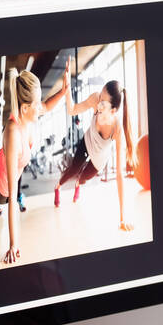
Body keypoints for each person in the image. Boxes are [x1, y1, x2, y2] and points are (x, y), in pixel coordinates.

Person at [0, 67, 65, 264]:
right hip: (2, 180)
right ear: (25, 108)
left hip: (17, 166)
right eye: (36, 105)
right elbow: (12, 197)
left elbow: (47, 106)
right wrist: (13, 244)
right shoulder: (13, 133)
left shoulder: (29, 112)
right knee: (2, 199)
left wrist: (63, 91)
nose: (39, 108)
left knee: (14, 190)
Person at [56, 56, 137, 232]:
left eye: (102, 102)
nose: (98, 101)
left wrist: (123, 218)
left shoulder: (117, 129)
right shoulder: (95, 100)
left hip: (99, 159)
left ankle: (78, 184)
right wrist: (67, 85)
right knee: (73, 168)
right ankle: (59, 186)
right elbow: (72, 110)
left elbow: (121, 176)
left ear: (113, 110)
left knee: (83, 178)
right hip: (87, 141)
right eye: (99, 95)